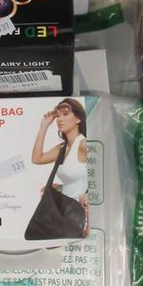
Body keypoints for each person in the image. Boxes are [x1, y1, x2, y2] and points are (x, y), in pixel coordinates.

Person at [31, 98, 89, 234]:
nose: (60, 119)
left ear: (78, 119)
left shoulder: (83, 144)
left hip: (81, 214)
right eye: (57, 116)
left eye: (65, 114)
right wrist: (44, 125)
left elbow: (106, 169)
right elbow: (37, 159)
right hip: (63, 213)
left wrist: (91, 194)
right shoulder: (63, 148)